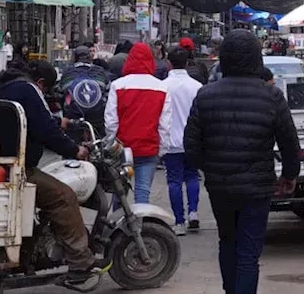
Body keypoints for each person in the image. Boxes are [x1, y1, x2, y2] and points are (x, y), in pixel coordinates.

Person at [185, 29, 302, 294]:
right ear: (256, 58)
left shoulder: (206, 95)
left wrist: (211, 168)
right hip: (258, 185)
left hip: (220, 186)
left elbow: (190, 147)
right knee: (249, 252)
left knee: (228, 243)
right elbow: (290, 144)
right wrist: (290, 175)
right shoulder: (271, 96)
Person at [0, 59, 111, 292]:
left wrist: (62, 122)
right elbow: (45, 129)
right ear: (41, 83)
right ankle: (80, 262)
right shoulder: (29, 89)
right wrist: (74, 150)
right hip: (17, 169)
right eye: (45, 89)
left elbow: (33, 119)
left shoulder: (4, 86)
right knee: (64, 196)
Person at [105, 42, 171, 204]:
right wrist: (161, 149)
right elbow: (164, 124)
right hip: (149, 148)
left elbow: (111, 121)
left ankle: (118, 226)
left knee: (120, 192)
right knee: (142, 191)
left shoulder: (118, 85)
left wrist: (111, 145)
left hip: (122, 149)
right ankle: (140, 227)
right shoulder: (162, 88)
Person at [161, 48, 204, 236]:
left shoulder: (162, 86)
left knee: (174, 181)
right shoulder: (196, 86)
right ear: (187, 64)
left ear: (168, 63)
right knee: (193, 176)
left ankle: (179, 222)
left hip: (171, 141)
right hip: (193, 140)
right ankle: (193, 212)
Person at [58, 45, 112, 139]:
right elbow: (108, 93)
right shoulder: (99, 72)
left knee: (72, 143)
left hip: (74, 117)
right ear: (90, 57)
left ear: (75, 57)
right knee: (101, 141)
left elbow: (60, 94)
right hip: (97, 117)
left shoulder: (68, 73)